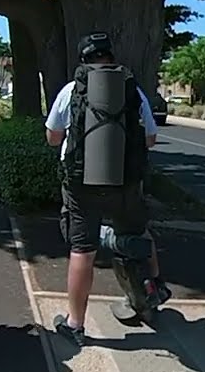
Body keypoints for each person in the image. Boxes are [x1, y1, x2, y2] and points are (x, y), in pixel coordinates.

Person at [43, 31, 168, 347]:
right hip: (124, 180)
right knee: (139, 232)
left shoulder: (72, 90)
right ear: (111, 57)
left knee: (82, 249)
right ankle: (154, 287)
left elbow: (53, 137)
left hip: (81, 183)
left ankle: (75, 324)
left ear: (84, 59)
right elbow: (150, 138)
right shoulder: (132, 90)